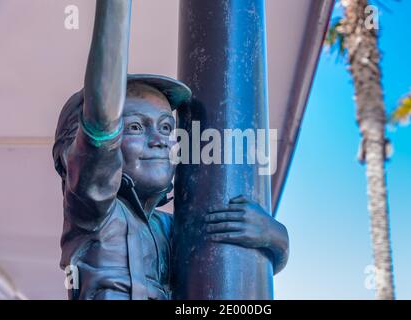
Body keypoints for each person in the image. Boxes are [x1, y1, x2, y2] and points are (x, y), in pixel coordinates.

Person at [52, 0, 289, 300]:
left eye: (166, 127)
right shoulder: (92, 208)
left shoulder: (169, 228)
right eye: (136, 127)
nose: (160, 139)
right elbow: (101, 119)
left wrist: (277, 239)